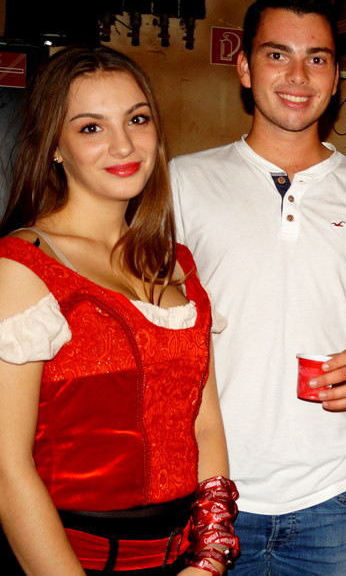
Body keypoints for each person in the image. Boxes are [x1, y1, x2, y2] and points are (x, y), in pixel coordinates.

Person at [169, 0, 346, 576]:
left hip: (338, 493)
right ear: (244, 68)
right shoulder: (182, 182)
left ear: (335, 77)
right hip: (209, 488)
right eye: (277, 54)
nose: (298, 76)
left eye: (317, 58)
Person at [0, 46, 238, 575]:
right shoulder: (23, 266)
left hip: (184, 560)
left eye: (137, 119)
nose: (124, 144)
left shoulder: (176, 263)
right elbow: (7, 471)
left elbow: (206, 423)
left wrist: (210, 555)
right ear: (54, 146)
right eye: (91, 127)